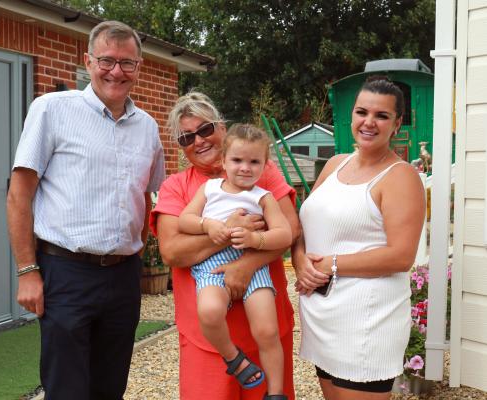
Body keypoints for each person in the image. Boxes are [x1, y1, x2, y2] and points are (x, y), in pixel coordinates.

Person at [6, 20, 165, 400]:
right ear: (88, 61)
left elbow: (146, 196)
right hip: (66, 273)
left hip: (123, 277)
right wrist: (27, 271)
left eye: (127, 63)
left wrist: (137, 254)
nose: (116, 71)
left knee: (110, 387)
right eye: (106, 60)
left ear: (138, 68)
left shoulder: (148, 127)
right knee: (67, 388)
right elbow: (19, 195)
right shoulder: (51, 110)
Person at [150, 92, 300, 400]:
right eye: (187, 137)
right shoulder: (177, 186)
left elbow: (290, 229)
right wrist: (229, 230)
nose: (199, 141)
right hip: (206, 336)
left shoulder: (260, 171)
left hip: (264, 321)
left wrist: (245, 265)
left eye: (205, 129)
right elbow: (173, 251)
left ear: (222, 128)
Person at [292, 76, 426, 400]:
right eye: (361, 112)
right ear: (351, 116)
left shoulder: (401, 176)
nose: (369, 122)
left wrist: (330, 264)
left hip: (366, 320)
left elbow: (400, 256)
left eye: (381, 116)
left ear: (397, 124)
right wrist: (299, 261)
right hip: (323, 315)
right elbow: (303, 224)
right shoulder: (336, 164)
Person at [178, 123, 292, 398]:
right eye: (237, 160)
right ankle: (233, 358)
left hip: (251, 262)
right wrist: (208, 226)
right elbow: (185, 219)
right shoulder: (210, 189)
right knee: (209, 312)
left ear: (265, 165)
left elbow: (285, 233)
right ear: (224, 161)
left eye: (254, 162)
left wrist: (257, 241)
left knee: (267, 329)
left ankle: (276, 392)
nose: (245, 168)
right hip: (211, 263)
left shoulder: (262, 197)